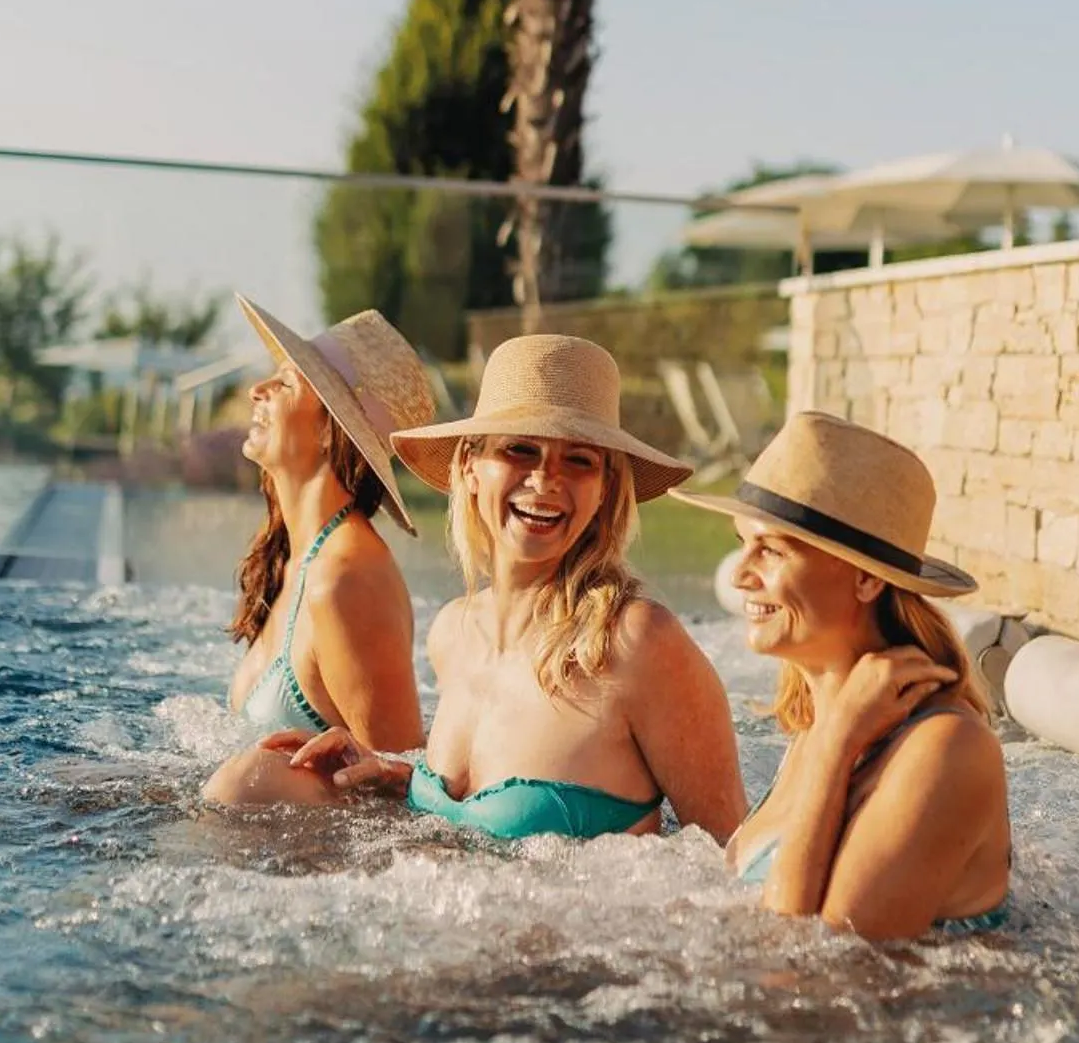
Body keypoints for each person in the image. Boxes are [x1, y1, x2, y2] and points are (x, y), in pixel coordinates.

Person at [211, 334, 743, 844]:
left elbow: (732, 861)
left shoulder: (637, 643)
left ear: (604, 488)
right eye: (520, 450)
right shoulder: (455, 632)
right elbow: (465, 825)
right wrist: (393, 776)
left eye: (579, 460)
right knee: (250, 782)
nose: (545, 480)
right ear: (469, 466)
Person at [673, 412, 1011, 939]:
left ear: (866, 580)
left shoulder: (947, 747)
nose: (739, 574)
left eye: (771, 549)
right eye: (742, 543)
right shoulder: (815, 726)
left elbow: (814, 961)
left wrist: (836, 742)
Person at [209, 296, 436, 768]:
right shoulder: (293, 560)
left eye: (287, 382)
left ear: (330, 431)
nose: (257, 389)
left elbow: (400, 781)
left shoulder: (347, 579)